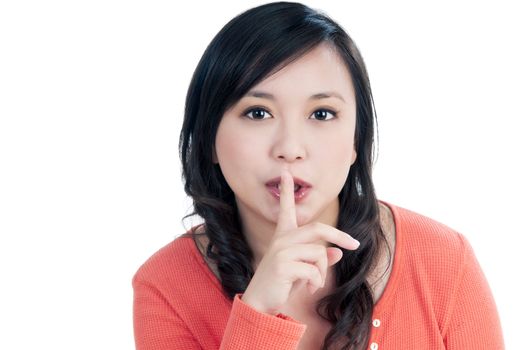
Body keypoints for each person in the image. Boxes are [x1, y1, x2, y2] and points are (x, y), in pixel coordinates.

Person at [132, 2, 504, 349]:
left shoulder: (443, 258)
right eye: (258, 113)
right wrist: (257, 313)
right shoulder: (165, 284)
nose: (291, 147)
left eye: (322, 114)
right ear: (210, 138)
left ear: (357, 139)